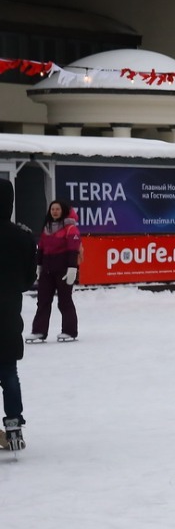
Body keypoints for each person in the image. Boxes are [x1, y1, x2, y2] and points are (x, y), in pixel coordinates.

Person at [0, 179, 37, 451]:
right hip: (7, 312)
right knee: (8, 373)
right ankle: (13, 426)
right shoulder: (22, 236)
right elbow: (28, 279)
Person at [28, 199, 81, 343]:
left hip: (63, 271)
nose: (55, 212)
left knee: (64, 301)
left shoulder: (71, 229)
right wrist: (39, 266)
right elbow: (42, 248)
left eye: (57, 209)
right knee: (43, 301)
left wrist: (72, 268)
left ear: (63, 211)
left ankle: (70, 331)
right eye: (52, 209)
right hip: (47, 270)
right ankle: (39, 331)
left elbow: (73, 250)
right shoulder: (47, 228)